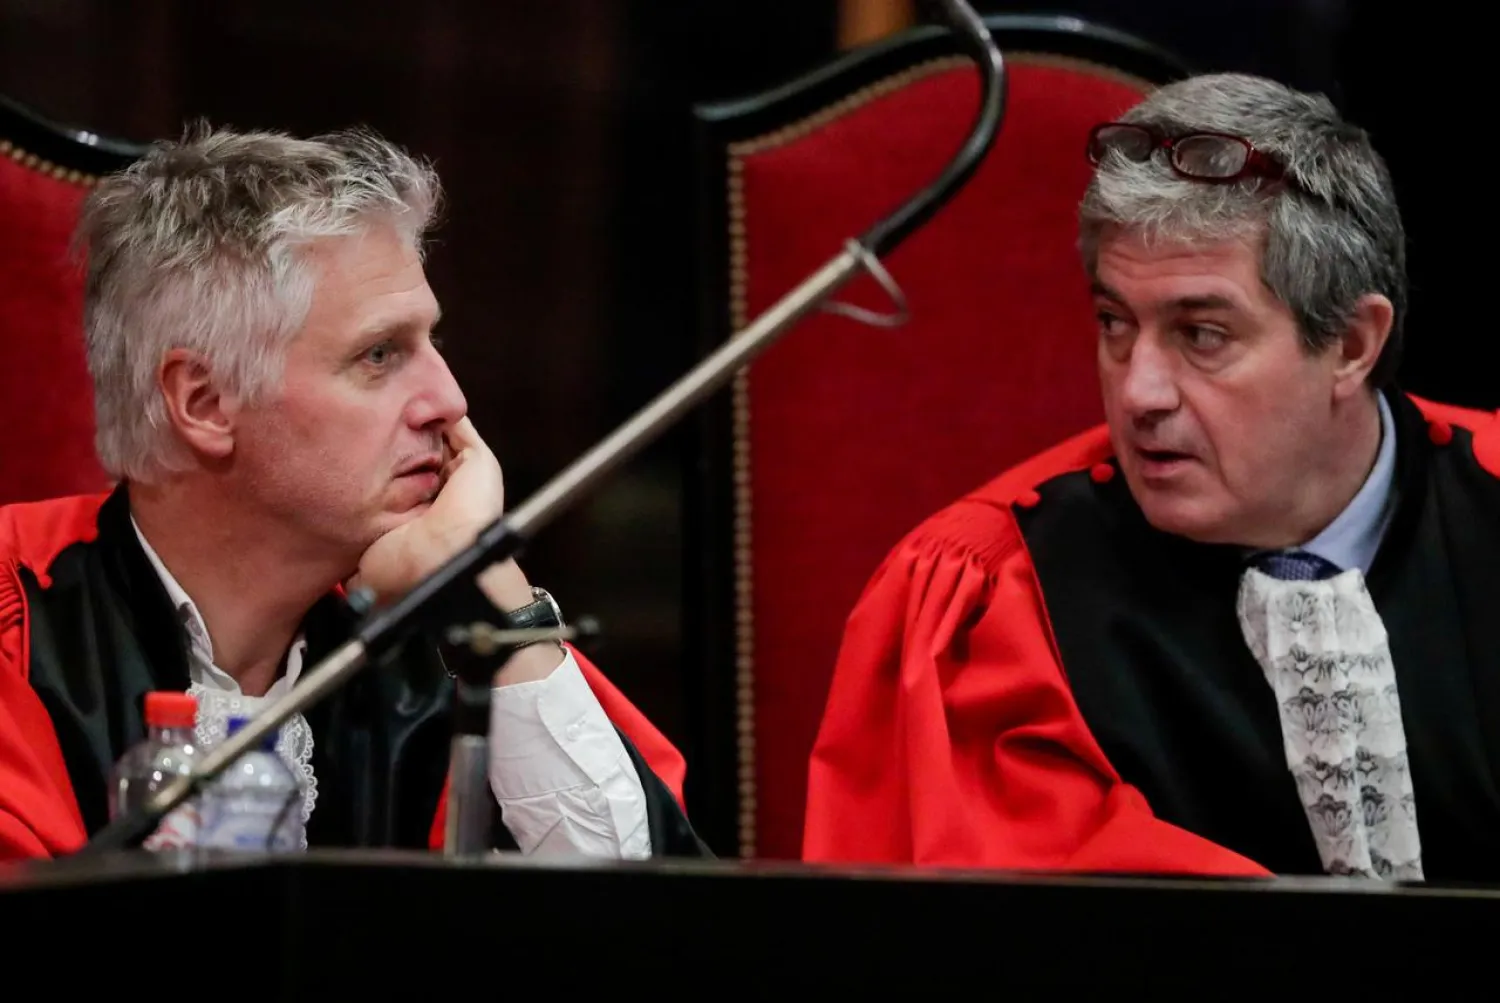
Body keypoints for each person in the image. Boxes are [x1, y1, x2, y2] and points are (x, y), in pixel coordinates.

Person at [803, 73, 1500, 883]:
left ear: (1350, 344)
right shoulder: (1000, 599)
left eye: (1201, 334)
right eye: (1114, 324)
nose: (1139, 391)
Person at [0, 125, 706, 860]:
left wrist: (484, 581)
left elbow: (659, 929)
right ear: (204, 402)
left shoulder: (436, 642)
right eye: (379, 354)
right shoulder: (16, 625)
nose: (450, 400)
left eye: (432, 344)